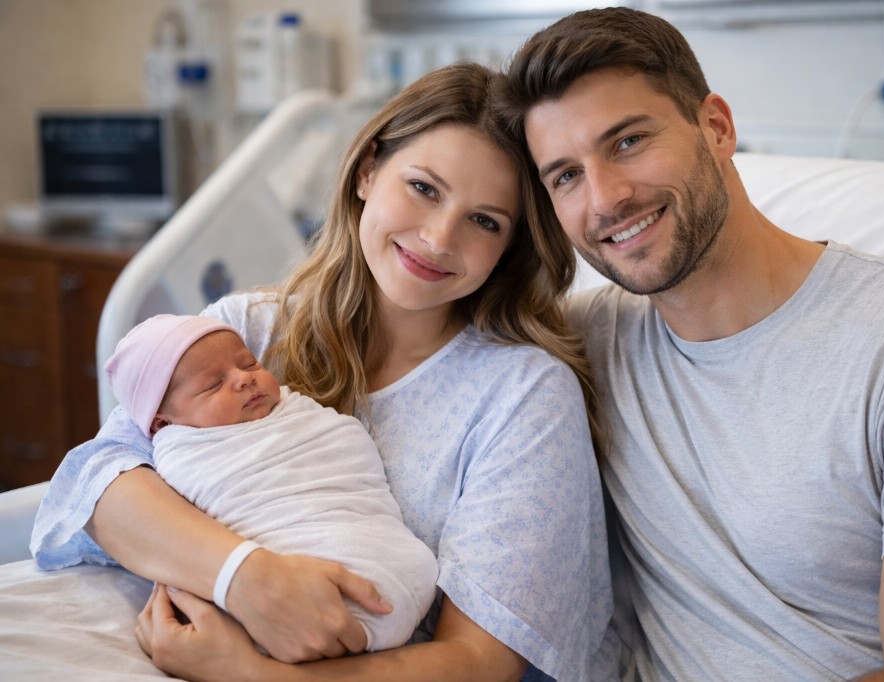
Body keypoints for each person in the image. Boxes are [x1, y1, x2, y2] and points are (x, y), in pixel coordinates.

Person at [31, 62, 617, 682]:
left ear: (509, 249)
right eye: (423, 187)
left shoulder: (522, 395)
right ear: (368, 170)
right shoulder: (245, 335)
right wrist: (245, 579)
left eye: (485, 221)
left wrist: (251, 675)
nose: (439, 237)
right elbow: (98, 482)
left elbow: (481, 662)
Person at [497, 7, 884, 681]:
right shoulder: (581, 347)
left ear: (715, 128)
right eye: (565, 175)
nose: (606, 199)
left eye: (627, 142)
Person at [104, 313, 439, 652]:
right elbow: (100, 480)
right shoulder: (185, 453)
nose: (244, 380)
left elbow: (344, 448)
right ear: (163, 424)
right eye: (213, 385)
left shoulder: (296, 411)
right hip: (290, 574)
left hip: (367, 541)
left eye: (249, 365)